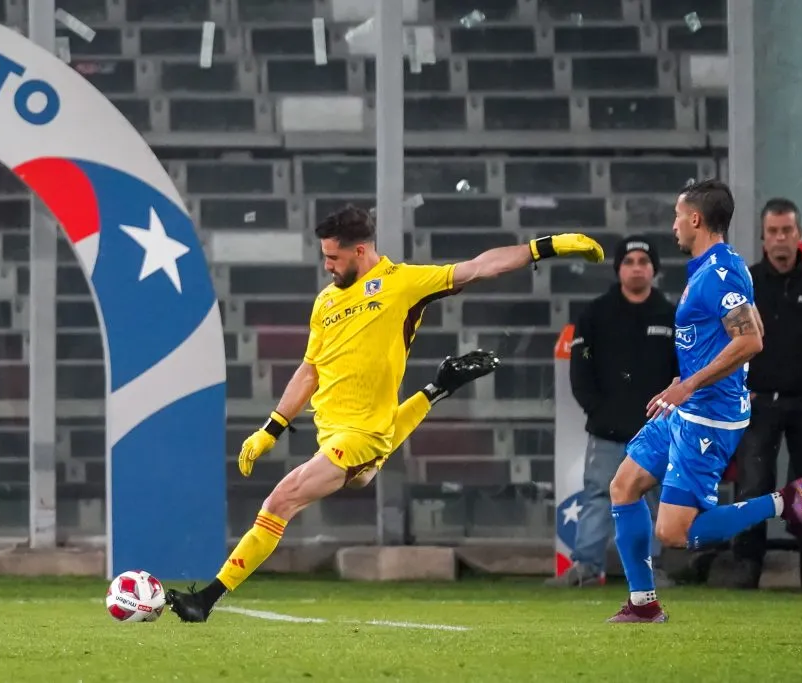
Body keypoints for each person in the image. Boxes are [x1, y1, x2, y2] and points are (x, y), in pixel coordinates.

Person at [166, 205, 606, 622]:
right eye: (324, 258)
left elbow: (479, 266)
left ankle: (207, 599)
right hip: (335, 434)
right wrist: (271, 428)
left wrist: (545, 247)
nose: (327, 267)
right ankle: (437, 389)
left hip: (362, 436)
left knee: (281, 500)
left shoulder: (403, 282)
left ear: (361, 250)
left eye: (334, 258)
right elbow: (310, 370)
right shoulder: (325, 302)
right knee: (358, 474)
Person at [605, 179, 802, 623]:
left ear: (695, 219)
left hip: (708, 416)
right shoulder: (714, 269)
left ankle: (786, 501)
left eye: (676, 215)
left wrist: (690, 384)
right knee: (623, 485)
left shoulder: (720, 272)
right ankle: (643, 606)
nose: (673, 226)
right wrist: (689, 374)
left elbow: (752, 339)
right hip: (689, 405)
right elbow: (746, 325)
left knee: (674, 532)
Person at [726, 198, 802, 590]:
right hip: (757, 403)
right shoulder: (744, 286)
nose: (780, 238)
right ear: (764, 237)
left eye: (787, 231)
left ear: (799, 235)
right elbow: (724, 345)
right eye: (773, 232)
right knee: (752, 485)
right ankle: (747, 564)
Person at [554, 235, 680, 587]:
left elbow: (681, 372)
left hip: (656, 428)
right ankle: (586, 567)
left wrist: (667, 414)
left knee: (653, 496)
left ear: (654, 268)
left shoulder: (671, 315)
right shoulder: (595, 314)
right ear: (618, 269)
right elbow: (580, 369)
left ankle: (649, 569)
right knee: (597, 495)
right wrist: (599, 411)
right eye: (629, 261)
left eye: (643, 261)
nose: (637, 268)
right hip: (607, 429)